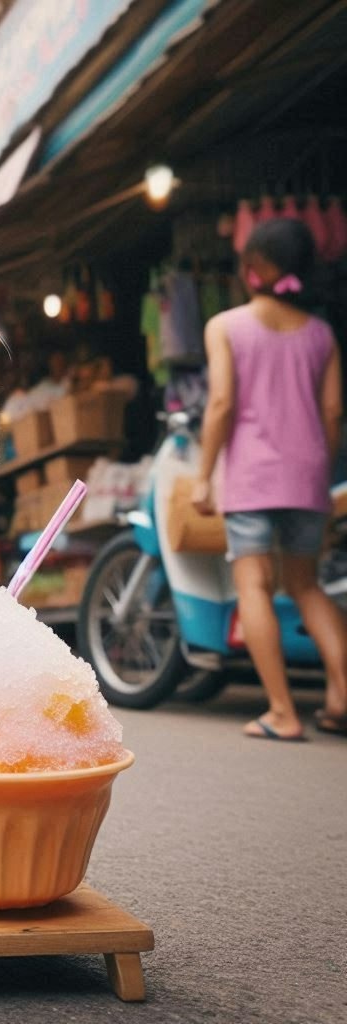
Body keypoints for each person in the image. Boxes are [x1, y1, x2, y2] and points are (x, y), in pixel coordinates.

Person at [193, 218, 347, 741]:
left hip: (254, 478)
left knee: (253, 584)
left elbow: (220, 405)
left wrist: (202, 476)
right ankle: (341, 695)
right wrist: (318, 474)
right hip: (308, 478)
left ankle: (282, 712)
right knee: (307, 585)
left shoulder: (227, 327)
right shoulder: (322, 334)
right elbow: (332, 414)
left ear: (252, 266)